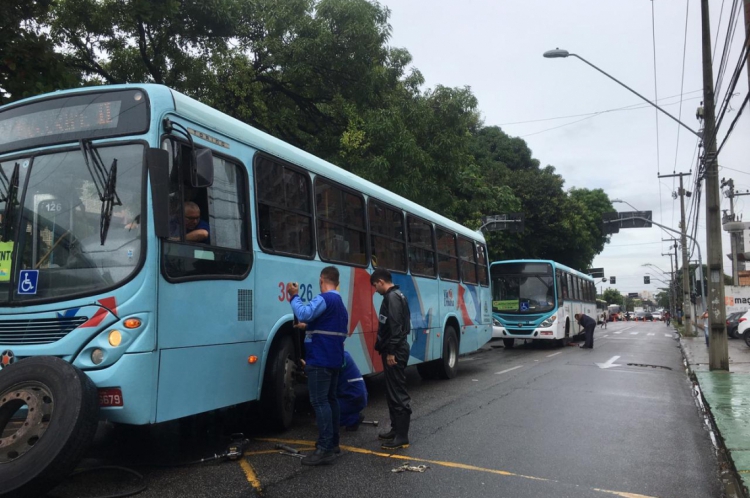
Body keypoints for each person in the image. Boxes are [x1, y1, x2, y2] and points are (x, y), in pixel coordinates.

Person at [288, 266, 349, 466]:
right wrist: (308, 327)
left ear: (322, 279)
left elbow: (304, 313)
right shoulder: (340, 304)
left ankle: (324, 449)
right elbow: (330, 327)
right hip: (334, 359)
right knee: (331, 400)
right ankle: (333, 444)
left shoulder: (325, 299)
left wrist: (293, 296)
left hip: (320, 359)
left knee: (319, 402)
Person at [371, 268, 412, 450]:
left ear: (381, 281)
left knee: (397, 392)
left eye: (375, 285)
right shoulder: (397, 295)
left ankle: (402, 436)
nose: (375, 290)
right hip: (396, 348)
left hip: (395, 350)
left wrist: (391, 352)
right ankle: (396, 430)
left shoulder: (392, 298)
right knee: (392, 391)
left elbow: (395, 326)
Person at [338, 351, 368, 431]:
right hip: (357, 396)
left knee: (327, 410)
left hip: (353, 397)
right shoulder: (344, 354)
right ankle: (352, 416)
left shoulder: (339, 358)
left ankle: (353, 419)